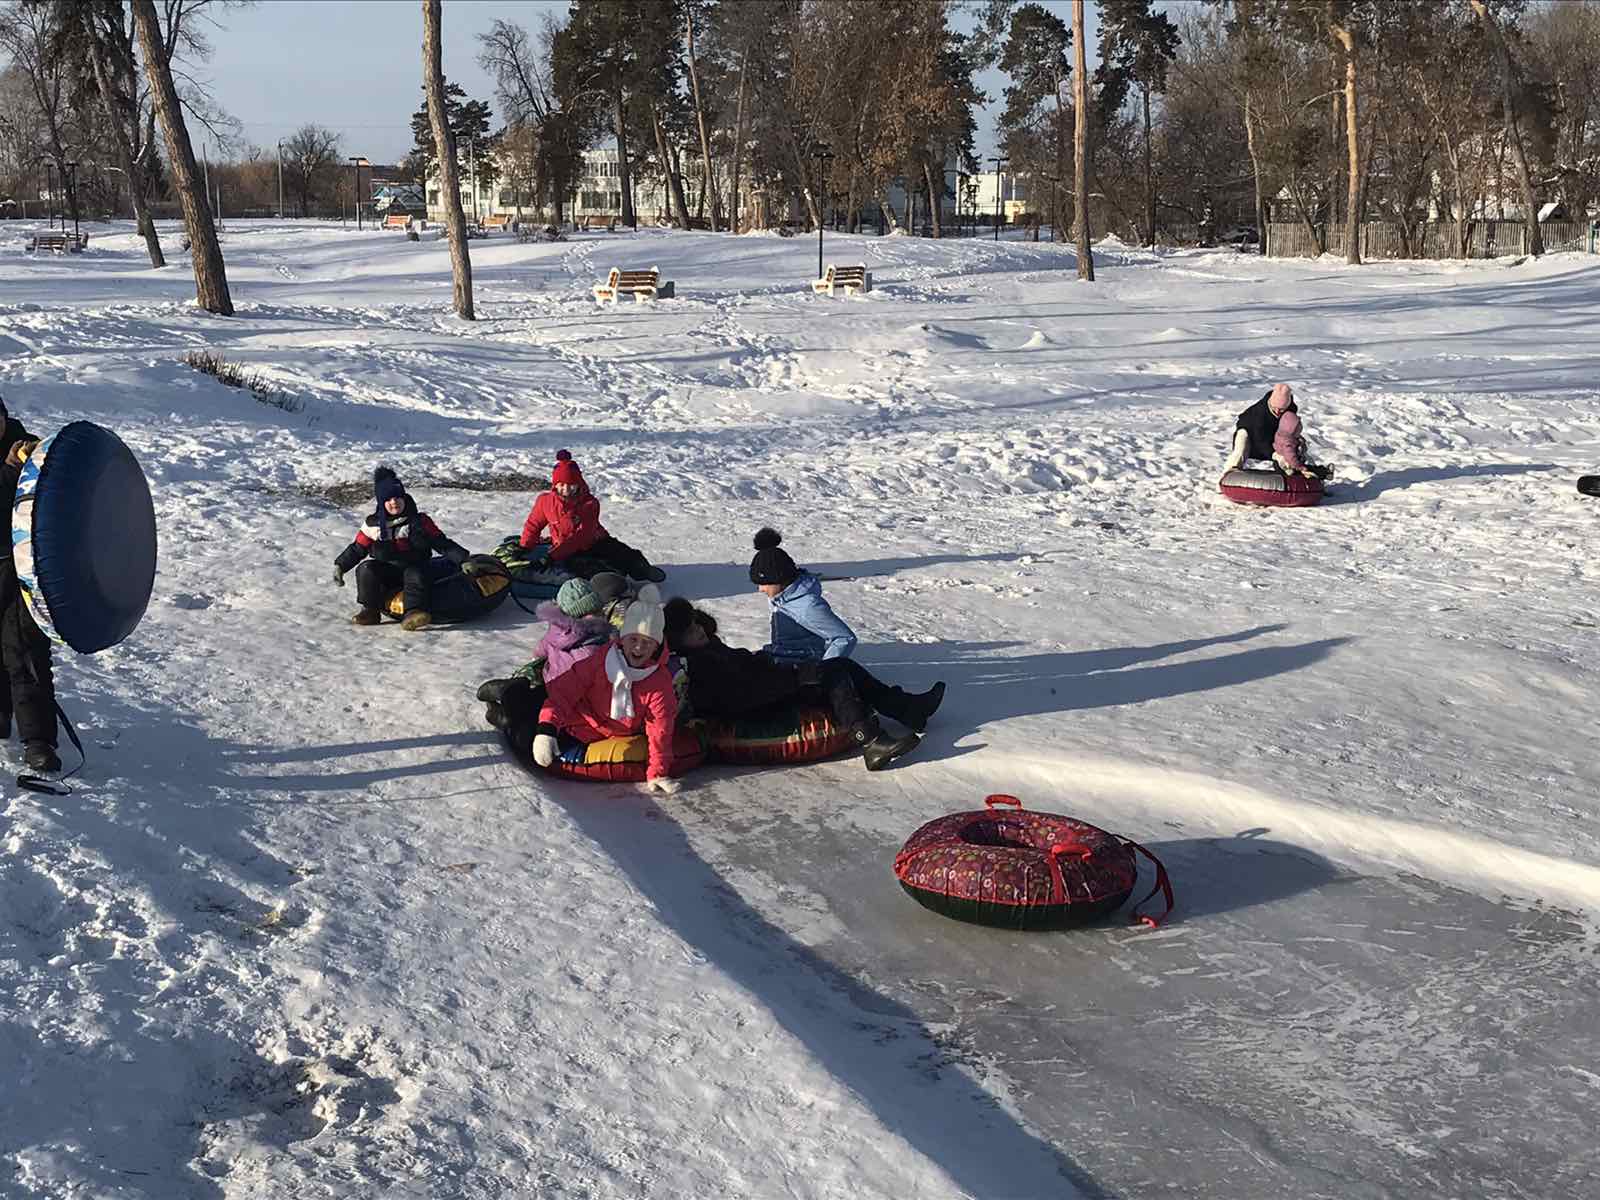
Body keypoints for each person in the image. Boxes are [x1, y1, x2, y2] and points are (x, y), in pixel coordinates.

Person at [664, 598, 943, 772]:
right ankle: (870, 741)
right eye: (689, 630)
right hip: (756, 707)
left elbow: (744, 666)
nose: (698, 630)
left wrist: (767, 663)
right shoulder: (699, 664)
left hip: (770, 687)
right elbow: (740, 695)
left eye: (695, 624)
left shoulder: (710, 648)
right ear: (678, 641)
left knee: (840, 666)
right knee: (832, 676)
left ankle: (908, 709)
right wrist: (795, 678)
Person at [535, 584, 682, 792]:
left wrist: (658, 771)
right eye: (634, 639)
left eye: (647, 643)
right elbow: (563, 694)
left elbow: (660, 727)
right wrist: (546, 730)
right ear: (623, 639)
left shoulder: (658, 681)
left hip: (621, 733)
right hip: (581, 726)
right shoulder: (600, 660)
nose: (639, 648)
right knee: (529, 710)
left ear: (656, 646)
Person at [334, 466, 471, 631]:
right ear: (381, 503)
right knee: (366, 568)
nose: (394, 503)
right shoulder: (373, 525)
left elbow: (442, 543)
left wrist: (463, 559)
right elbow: (357, 548)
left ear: (404, 498)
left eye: (398, 498)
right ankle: (370, 610)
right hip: (390, 572)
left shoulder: (419, 522)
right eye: (389, 500)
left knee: (413, 573)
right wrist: (340, 566)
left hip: (417, 568)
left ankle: (413, 613)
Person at [0, 395, 60, 773]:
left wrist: (27, 463)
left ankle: (39, 741)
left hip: (21, 568)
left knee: (24, 649)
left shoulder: (27, 450)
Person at [519, 450, 666, 584]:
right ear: (555, 485)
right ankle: (614, 582)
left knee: (620, 552)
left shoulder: (589, 503)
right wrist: (525, 548)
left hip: (595, 541)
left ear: (579, 484)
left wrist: (551, 556)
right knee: (585, 567)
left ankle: (642, 568)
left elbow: (581, 536)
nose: (566, 489)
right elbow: (533, 525)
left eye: (571, 485)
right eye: (561, 484)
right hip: (568, 550)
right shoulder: (545, 502)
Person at [747, 528, 857, 662]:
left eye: (765, 584)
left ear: (781, 580)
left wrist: (824, 670)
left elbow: (844, 638)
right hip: (781, 654)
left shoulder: (807, 606)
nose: (760, 589)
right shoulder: (781, 597)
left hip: (799, 665)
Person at [1222, 383, 1328, 481]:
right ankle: (1226, 478)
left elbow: (1288, 428)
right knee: (1240, 449)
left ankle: (1303, 476)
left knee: (1290, 451)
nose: (1278, 412)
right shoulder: (1259, 414)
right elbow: (1260, 440)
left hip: (1274, 435)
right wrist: (1274, 454)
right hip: (1251, 433)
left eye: (1281, 410)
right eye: (1275, 408)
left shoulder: (1290, 409)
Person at [533, 577, 613, 684]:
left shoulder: (555, 632)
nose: (603, 613)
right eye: (599, 610)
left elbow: (539, 651)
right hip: (575, 695)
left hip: (552, 683)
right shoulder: (592, 650)